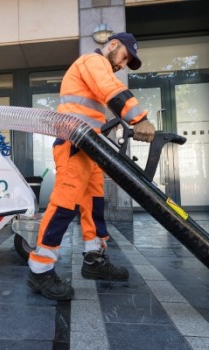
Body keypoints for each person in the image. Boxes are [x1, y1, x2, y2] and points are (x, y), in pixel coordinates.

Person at [27, 32, 155, 300]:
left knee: (93, 203)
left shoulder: (100, 68)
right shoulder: (91, 62)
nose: (122, 65)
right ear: (112, 45)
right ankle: (40, 270)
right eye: (124, 57)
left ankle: (94, 260)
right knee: (64, 203)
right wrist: (139, 118)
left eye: (127, 62)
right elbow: (110, 88)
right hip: (74, 144)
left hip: (90, 148)